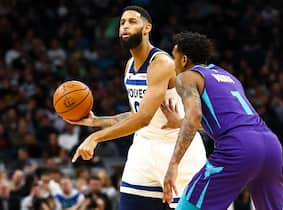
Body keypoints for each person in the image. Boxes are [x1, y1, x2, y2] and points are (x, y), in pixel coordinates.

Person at [68, 6, 206, 210]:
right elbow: (136, 115)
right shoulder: (130, 65)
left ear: (146, 28)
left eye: (132, 21)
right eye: (122, 22)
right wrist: (95, 121)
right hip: (143, 149)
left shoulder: (161, 63)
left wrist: (95, 137)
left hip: (178, 150)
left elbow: (144, 118)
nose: (125, 26)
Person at [162, 32, 283, 210]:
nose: (173, 64)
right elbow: (226, 121)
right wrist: (180, 122)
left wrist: (173, 164)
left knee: (188, 207)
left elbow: (194, 115)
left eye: (174, 57)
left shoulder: (186, 77)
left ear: (184, 59)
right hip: (271, 146)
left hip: (239, 147)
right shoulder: (228, 77)